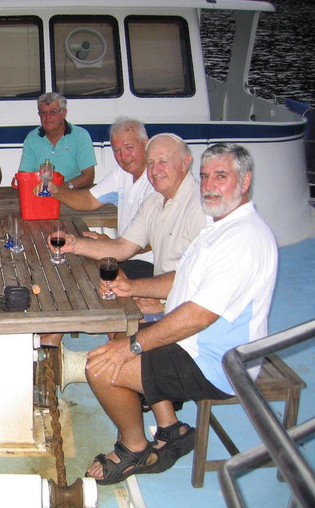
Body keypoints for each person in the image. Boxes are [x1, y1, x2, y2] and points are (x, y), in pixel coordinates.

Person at [82, 143, 278, 485]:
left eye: (221, 176)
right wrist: (134, 289)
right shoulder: (221, 226)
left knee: (100, 366)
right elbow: (182, 278)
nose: (209, 185)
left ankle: (135, 448)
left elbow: (198, 316)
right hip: (195, 342)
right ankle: (171, 428)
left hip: (217, 363)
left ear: (245, 182)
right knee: (119, 320)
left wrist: (133, 346)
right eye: (204, 177)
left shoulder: (244, 240)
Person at [56, 133, 208, 317]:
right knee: (109, 301)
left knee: (117, 315)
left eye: (163, 161)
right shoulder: (154, 201)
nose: (155, 170)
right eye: (150, 163)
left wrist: (137, 289)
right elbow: (122, 247)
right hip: (166, 295)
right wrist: (74, 244)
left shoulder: (201, 207)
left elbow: (196, 278)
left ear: (186, 162)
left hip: (190, 309)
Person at [35, 117, 155, 279]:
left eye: (129, 147)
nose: (123, 156)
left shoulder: (157, 178)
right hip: (124, 253)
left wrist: (115, 244)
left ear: (146, 144)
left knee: (91, 279)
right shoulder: (122, 174)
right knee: (74, 270)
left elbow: (155, 242)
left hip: (150, 262)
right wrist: (56, 190)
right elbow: (89, 200)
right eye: (117, 150)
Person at [19, 92, 96, 190]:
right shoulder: (32, 138)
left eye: (53, 112)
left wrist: (65, 187)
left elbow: (89, 176)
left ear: (63, 113)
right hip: (41, 195)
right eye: (43, 113)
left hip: (73, 193)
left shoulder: (81, 136)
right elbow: (24, 174)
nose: (47, 117)